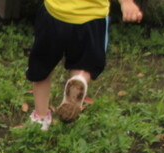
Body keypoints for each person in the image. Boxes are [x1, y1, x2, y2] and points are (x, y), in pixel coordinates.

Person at [27, 0, 144, 130]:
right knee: (85, 64)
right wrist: (126, 3)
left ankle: (40, 118)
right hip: (92, 18)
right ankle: (79, 79)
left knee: (42, 65)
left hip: (55, 13)